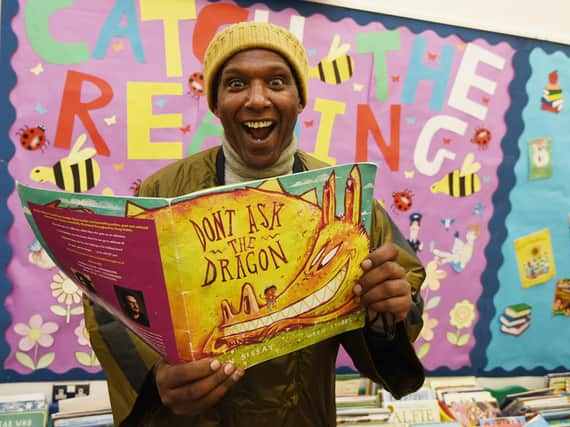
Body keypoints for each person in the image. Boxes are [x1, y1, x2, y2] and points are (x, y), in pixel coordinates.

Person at [83, 21, 426, 426]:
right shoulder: (164, 193)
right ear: (215, 103)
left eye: (278, 82)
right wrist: (155, 380)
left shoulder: (344, 200)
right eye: (235, 84)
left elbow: (397, 302)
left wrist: (386, 314)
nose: (257, 99)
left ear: (300, 100)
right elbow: (111, 304)